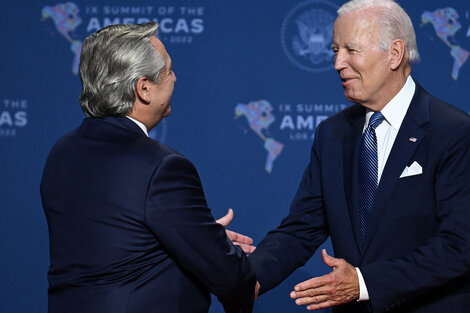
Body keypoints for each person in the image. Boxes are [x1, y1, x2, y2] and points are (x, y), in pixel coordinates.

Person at [248, 0, 470, 312]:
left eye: (351, 50)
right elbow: (301, 229)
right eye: (335, 49)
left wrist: (363, 283)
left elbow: (459, 246)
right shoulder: (332, 134)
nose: (337, 63)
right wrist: (247, 277)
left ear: (394, 53)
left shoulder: (453, 132)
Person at [40, 22, 256, 313]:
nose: (175, 78)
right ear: (143, 88)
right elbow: (231, 279)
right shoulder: (163, 167)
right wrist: (215, 251)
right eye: (168, 70)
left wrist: (199, 236)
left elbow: (116, 244)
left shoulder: (62, 152)